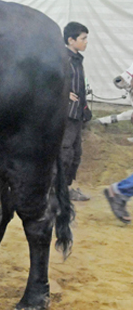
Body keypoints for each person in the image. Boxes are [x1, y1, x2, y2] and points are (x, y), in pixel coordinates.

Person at [61, 22, 91, 203]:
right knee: (65, 153)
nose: (86, 42)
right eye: (83, 38)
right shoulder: (61, 59)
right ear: (71, 40)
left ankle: (65, 188)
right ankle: (57, 190)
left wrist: (85, 109)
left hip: (77, 114)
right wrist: (62, 93)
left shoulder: (77, 59)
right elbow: (45, 81)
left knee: (75, 154)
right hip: (66, 115)